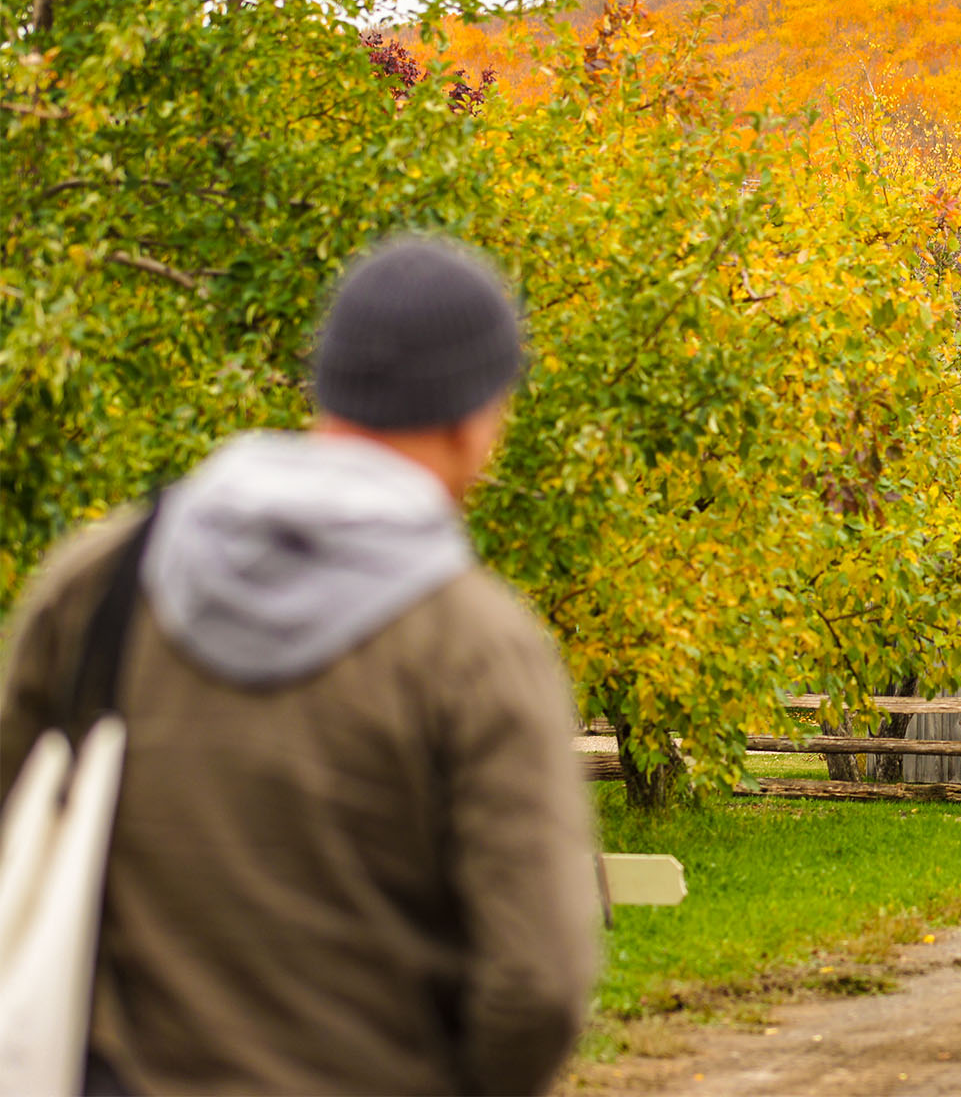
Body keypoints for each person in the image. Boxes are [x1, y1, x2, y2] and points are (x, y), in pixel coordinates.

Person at [0, 237, 597, 1095]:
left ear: (329, 386)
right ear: (475, 419)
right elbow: (537, 987)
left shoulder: (100, 582)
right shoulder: (478, 647)